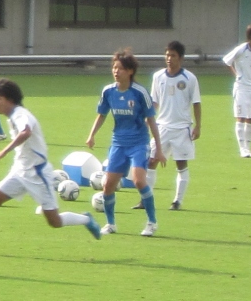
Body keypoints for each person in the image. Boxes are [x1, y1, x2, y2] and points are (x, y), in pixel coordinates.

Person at [0, 78, 100, 252]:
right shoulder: (12, 116)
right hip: (20, 171)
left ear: (10, 99)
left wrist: (3, 151)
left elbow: (26, 132)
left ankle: (86, 219)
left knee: (54, 221)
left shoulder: (20, 114)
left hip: (38, 174)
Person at [85, 49, 165, 236]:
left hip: (139, 143)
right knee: (108, 186)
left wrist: (158, 149)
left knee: (138, 181)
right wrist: (92, 135)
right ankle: (110, 224)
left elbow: (151, 120)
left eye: (120, 68)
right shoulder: (108, 91)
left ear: (130, 71)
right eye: (114, 67)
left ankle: (152, 222)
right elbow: (102, 115)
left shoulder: (139, 93)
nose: (116, 71)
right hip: (118, 144)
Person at [140, 40, 200, 210]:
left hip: (182, 129)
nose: (169, 58)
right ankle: (146, 199)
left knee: (181, 165)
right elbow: (154, 102)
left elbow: (196, 103)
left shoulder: (189, 78)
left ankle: (177, 201)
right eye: (167, 55)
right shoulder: (158, 77)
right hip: (162, 128)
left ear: (180, 58)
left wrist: (198, 126)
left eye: (172, 55)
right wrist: (146, 121)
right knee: (151, 161)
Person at [223, 22, 251, 157]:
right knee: (240, 117)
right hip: (241, 88)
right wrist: (237, 75)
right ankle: (242, 149)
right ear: (250, 35)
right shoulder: (242, 49)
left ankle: (248, 148)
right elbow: (227, 60)